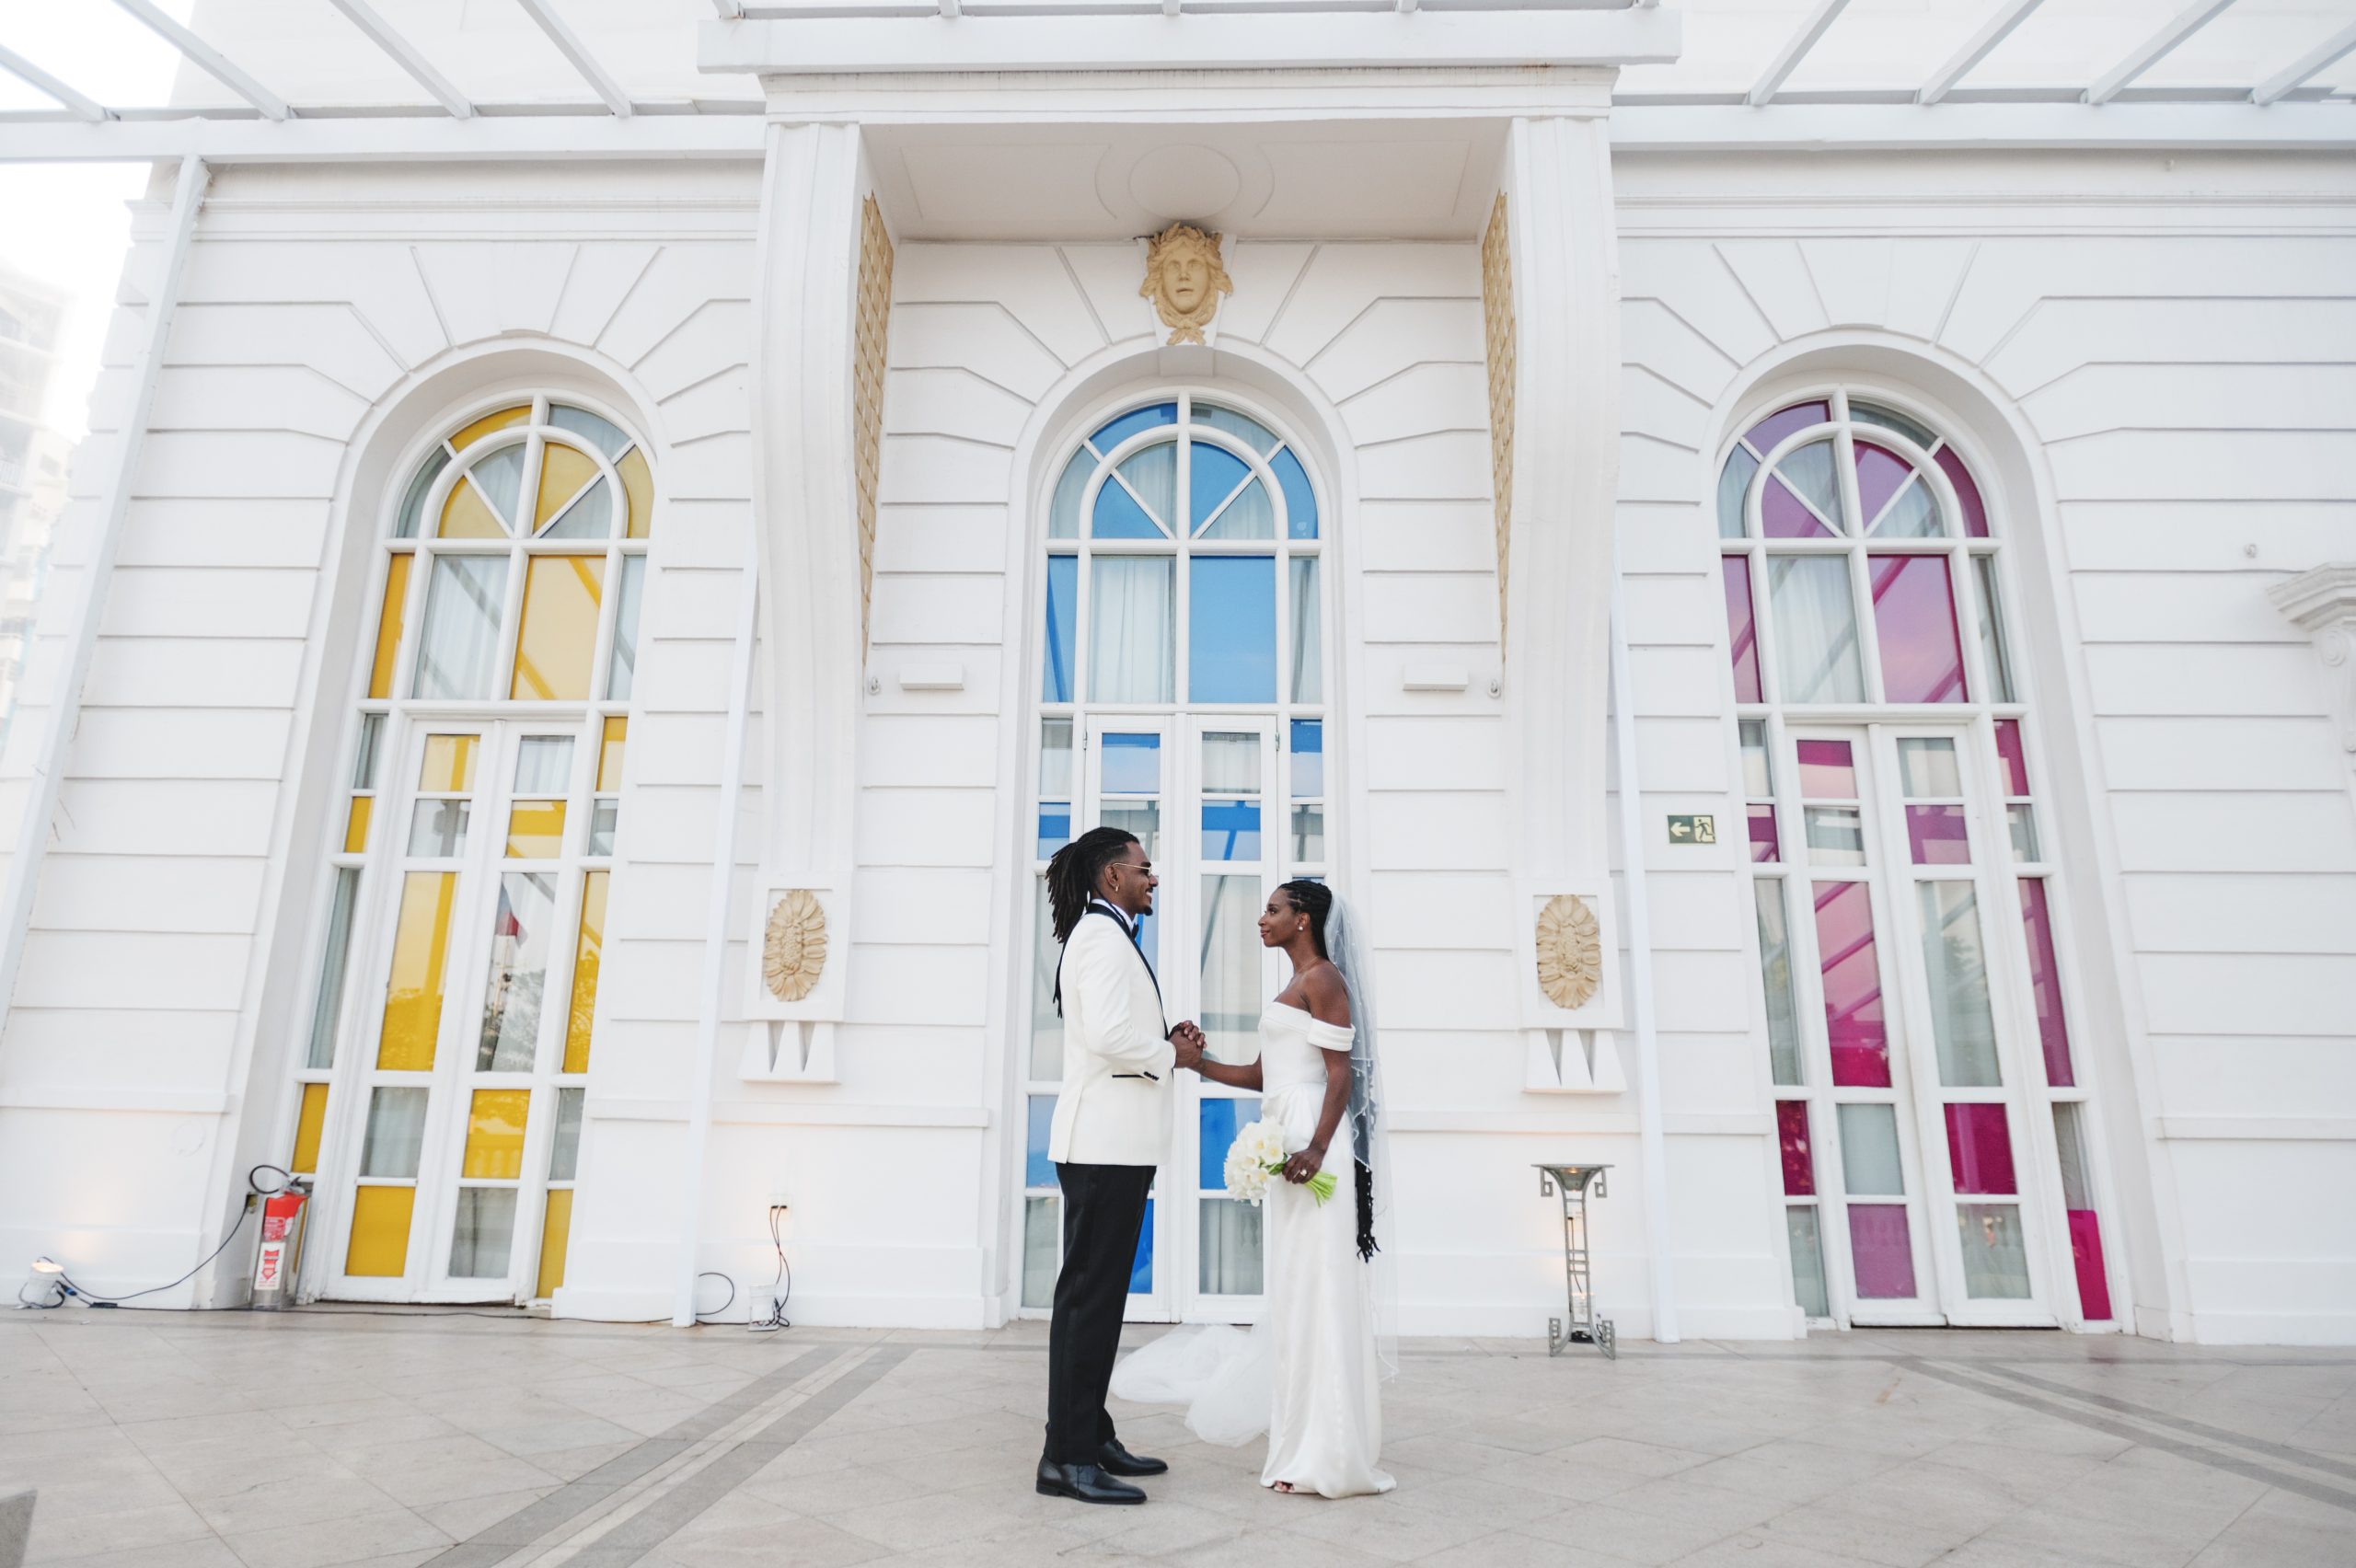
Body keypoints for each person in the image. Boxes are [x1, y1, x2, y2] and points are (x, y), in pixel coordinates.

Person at [1122, 880, 1396, 1499]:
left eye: (1273, 909)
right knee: (1297, 1288)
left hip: (1308, 1143)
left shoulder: (1323, 979)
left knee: (1320, 1285)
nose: (1261, 918)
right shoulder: (1293, 986)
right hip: (1287, 1133)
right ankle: (1301, 1441)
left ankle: (1331, 1451)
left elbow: (1340, 1076)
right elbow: (1260, 1074)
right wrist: (1195, 1062)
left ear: (1304, 919)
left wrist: (1318, 1147)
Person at [1035, 825, 1207, 1506]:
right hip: (1103, 1147)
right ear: (1112, 878)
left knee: (1097, 1305)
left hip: (1117, 1146)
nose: (1152, 878)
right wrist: (1171, 1054)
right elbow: (1109, 1036)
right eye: (1144, 868)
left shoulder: (1108, 935)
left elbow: (1116, 1031)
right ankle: (1068, 1460)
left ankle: (1090, 1433)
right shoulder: (1103, 939)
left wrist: (1165, 1042)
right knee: (1088, 1306)